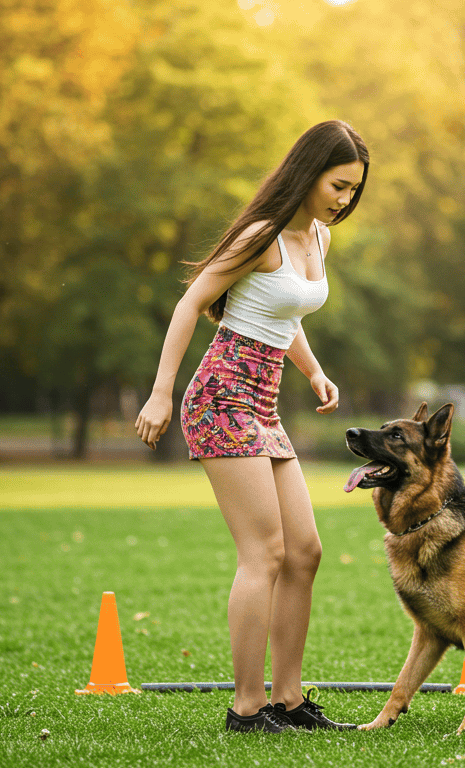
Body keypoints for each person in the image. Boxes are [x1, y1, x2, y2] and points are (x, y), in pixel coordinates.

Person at [134, 120, 369, 733]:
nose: (344, 200)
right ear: (310, 171)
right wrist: (161, 394)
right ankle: (245, 708)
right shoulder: (261, 235)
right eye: (338, 185)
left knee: (305, 553)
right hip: (220, 396)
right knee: (263, 553)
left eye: (353, 190)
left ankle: (289, 701)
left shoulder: (316, 235)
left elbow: (284, 313)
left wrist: (314, 372)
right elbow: (191, 303)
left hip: (262, 401)